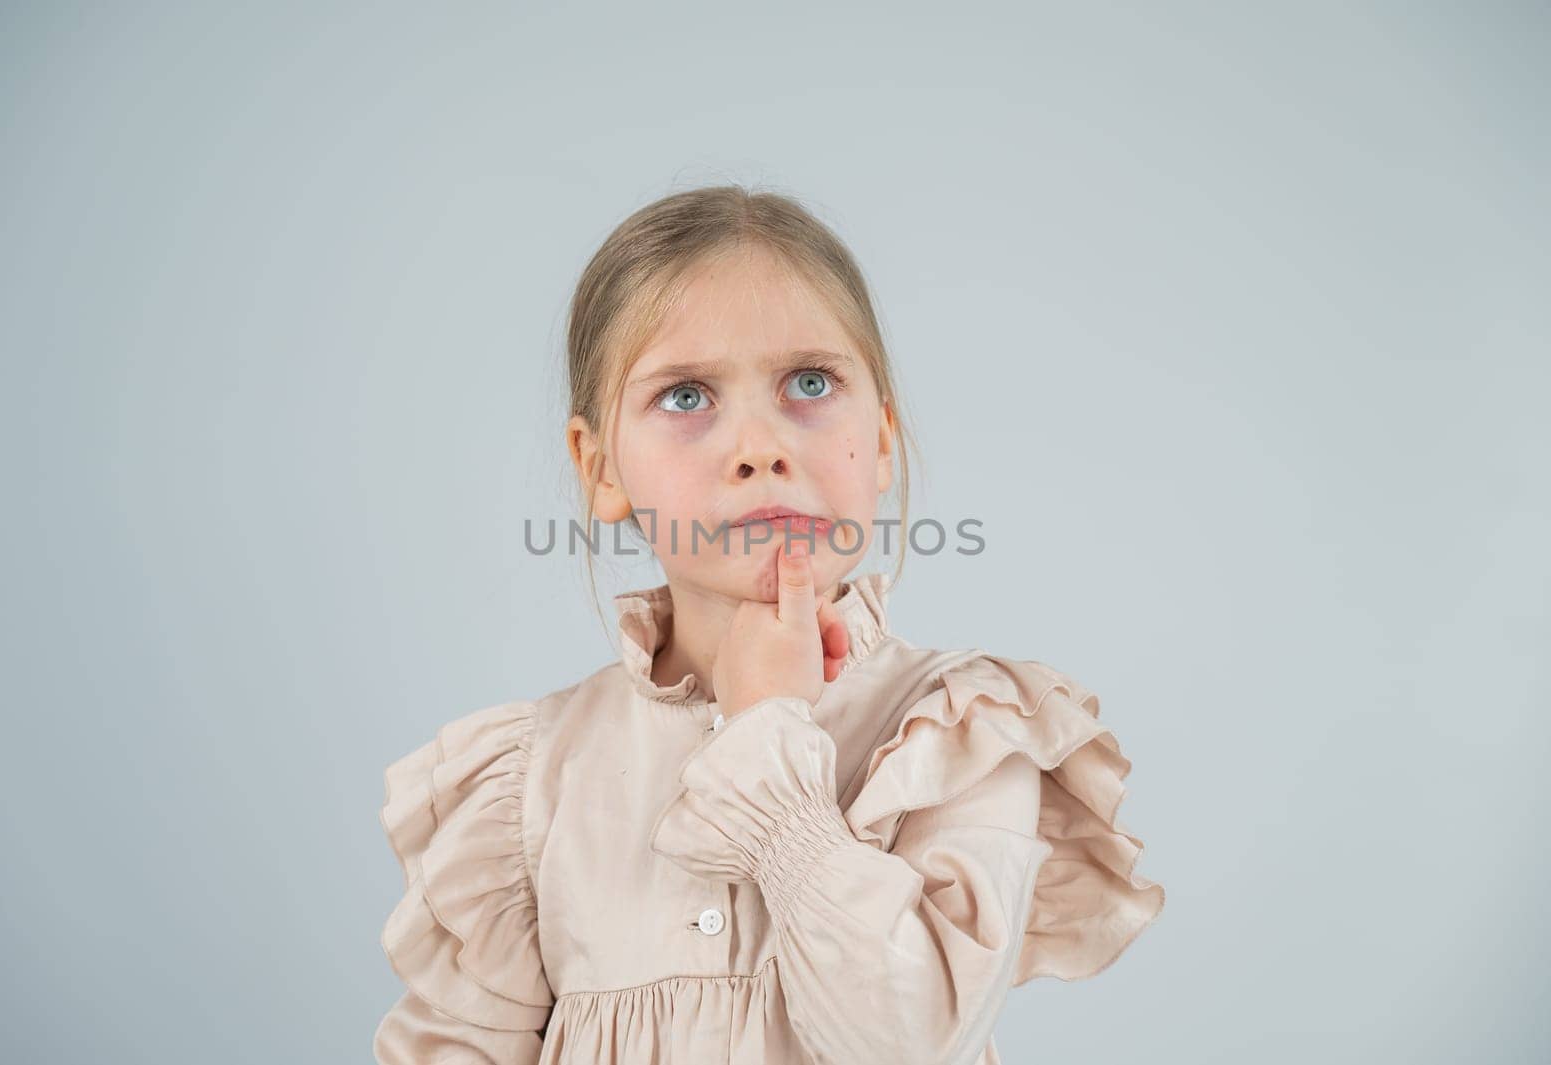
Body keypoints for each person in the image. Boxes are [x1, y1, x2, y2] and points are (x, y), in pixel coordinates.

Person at [373, 186, 1165, 1064]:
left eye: (810, 383)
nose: (759, 446)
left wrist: (767, 733)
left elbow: (907, 1042)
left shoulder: (960, 734)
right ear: (600, 470)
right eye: (686, 398)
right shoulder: (529, 783)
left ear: (884, 435)